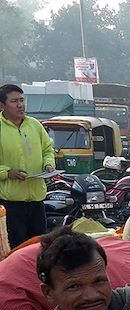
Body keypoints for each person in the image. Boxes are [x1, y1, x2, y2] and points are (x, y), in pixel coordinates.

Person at [0, 84, 55, 248]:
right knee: (17, 250)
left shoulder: (35, 125)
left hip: (37, 199)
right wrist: (8, 173)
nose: (20, 105)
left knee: (39, 248)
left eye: (22, 100)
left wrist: (48, 164)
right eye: (14, 101)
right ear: (2, 105)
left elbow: (47, 149)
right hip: (11, 203)